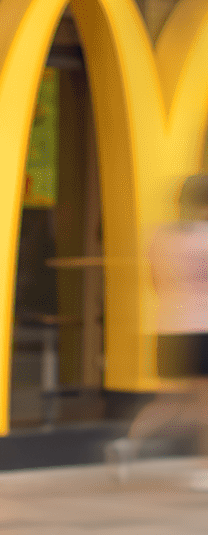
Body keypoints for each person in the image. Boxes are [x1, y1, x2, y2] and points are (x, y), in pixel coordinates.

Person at [108, 175, 208, 486]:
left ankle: (128, 444)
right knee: (202, 403)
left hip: (169, 325)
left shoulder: (162, 237)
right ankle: (204, 469)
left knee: (171, 401)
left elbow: (155, 280)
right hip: (203, 326)